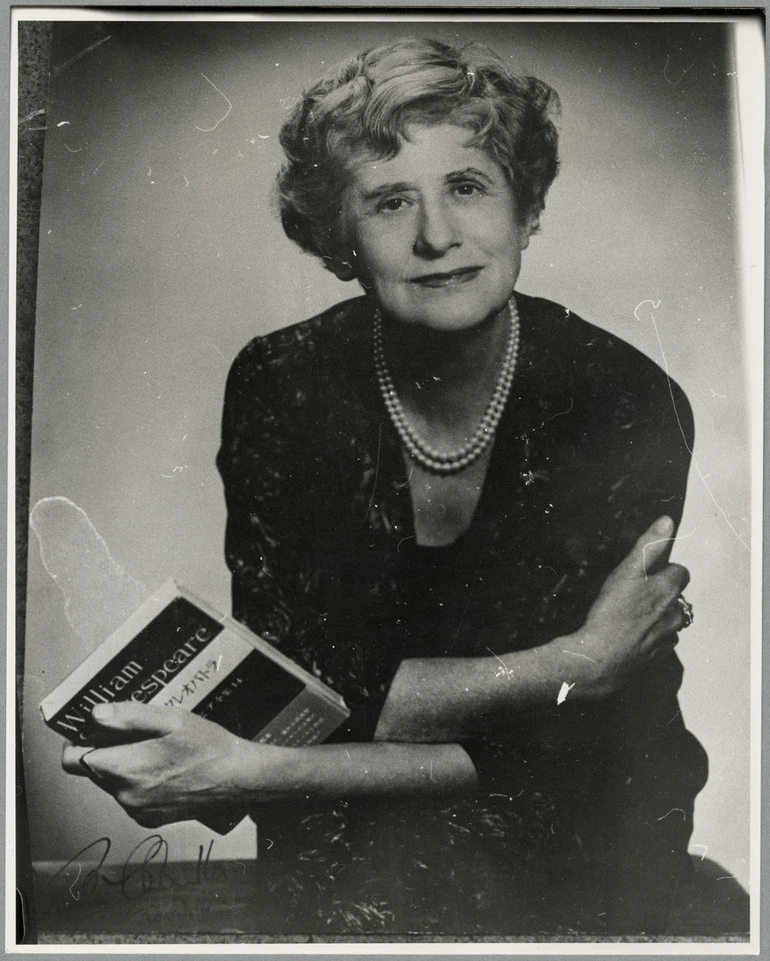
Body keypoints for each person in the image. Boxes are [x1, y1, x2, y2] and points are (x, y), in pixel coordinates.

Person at [63, 37, 707, 935]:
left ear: (527, 212)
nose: (435, 235)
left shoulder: (626, 400)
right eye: (390, 199)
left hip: (589, 827)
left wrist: (250, 772)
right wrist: (574, 666)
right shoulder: (281, 382)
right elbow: (306, 693)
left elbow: (563, 753)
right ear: (342, 241)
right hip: (348, 833)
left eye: (469, 187)